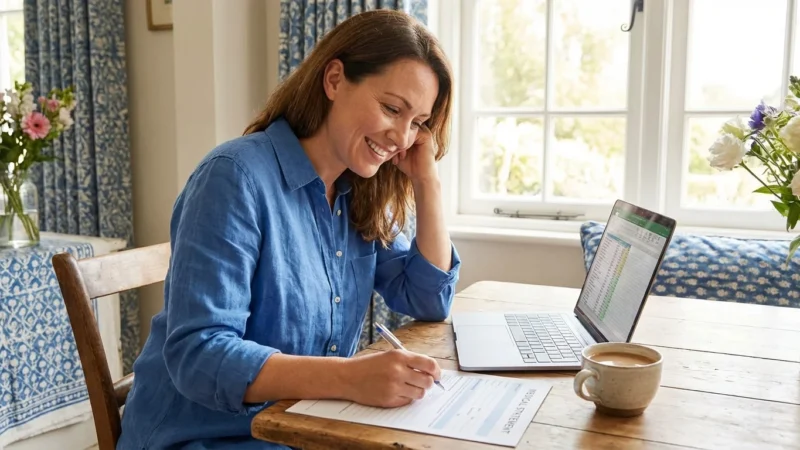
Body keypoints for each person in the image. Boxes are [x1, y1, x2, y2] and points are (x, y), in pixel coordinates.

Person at [117, 9, 460, 450]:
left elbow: (430, 299)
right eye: (392, 109)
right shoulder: (234, 177)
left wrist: (426, 182)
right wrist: (350, 379)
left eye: (418, 123)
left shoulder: (360, 191)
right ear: (334, 80)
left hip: (301, 427)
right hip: (204, 438)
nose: (402, 137)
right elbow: (198, 356)